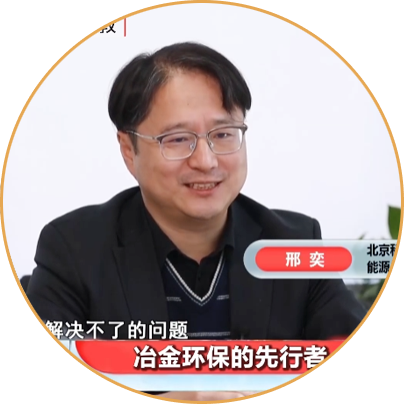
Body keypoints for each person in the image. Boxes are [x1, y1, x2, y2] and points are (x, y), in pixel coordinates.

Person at [26, 42, 366, 399]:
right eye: (178, 139)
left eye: (223, 134)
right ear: (128, 149)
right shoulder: (73, 251)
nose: (205, 161)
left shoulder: (293, 245)